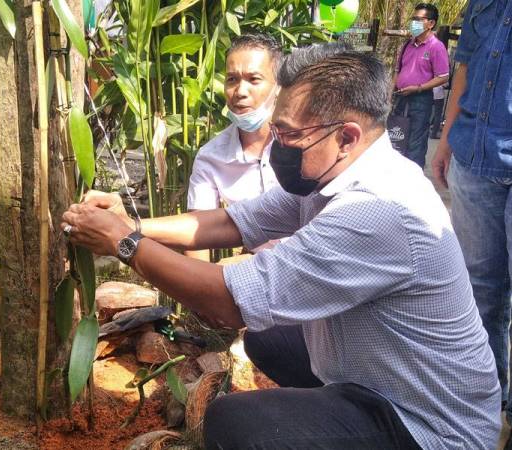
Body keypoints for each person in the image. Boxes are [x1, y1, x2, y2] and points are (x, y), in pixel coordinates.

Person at [62, 44, 500, 449]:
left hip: (430, 426)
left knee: (236, 424)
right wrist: (132, 223)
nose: (278, 146)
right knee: (268, 338)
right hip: (383, 376)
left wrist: (124, 244)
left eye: (288, 134)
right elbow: (234, 220)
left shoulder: (377, 210)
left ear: (346, 137)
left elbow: (228, 302)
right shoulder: (338, 169)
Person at [432, 0, 512, 443]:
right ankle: (484, 401)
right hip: (474, 156)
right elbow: (464, 67)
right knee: (478, 287)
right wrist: (445, 140)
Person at [186, 33, 281, 259]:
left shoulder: (305, 144)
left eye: (254, 79)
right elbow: (197, 236)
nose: (240, 91)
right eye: (232, 79)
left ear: (279, 86)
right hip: (255, 274)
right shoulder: (210, 158)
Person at [393, 3, 449, 168]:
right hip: (401, 97)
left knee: (415, 142)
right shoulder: (407, 45)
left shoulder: (436, 47)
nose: (414, 23)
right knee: (397, 137)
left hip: (421, 99)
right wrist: (391, 92)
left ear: (431, 23)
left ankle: (412, 180)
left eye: (418, 19)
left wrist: (418, 88)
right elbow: (398, 71)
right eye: (413, 19)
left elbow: (443, 77)